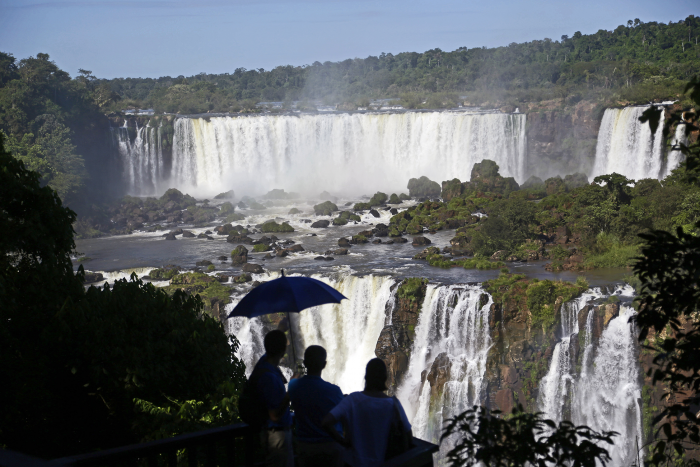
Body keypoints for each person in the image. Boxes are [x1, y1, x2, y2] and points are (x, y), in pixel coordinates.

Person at [322, 358, 412, 467]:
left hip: (355, 462)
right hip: (384, 462)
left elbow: (326, 422)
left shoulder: (352, 399)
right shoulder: (393, 404)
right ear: (384, 378)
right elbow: (408, 434)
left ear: (366, 377)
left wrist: (343, 442)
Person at [288, 345, 345, 467]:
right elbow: (344, 415)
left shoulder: (293, 386)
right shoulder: (334, 391)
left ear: (304, 363)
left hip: (306, 447)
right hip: (330, 446)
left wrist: (296, 375)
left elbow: (291, 385)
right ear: (324, 364)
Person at [251, 330, 294, 467]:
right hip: (277, 436)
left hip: (272, 434)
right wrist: (291, 391)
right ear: (283, 350)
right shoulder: (270, 378)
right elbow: (275, 415)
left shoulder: (264, 365)